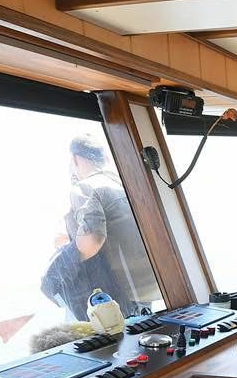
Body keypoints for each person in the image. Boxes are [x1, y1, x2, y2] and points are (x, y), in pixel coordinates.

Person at [42, 135, 160, 320]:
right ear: (105, 157)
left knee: (51, 282)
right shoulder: (125, 183)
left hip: (124, 295)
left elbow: (93, 240)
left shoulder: (85, 187)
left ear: (75, 159)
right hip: (154, 287)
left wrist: (67, 247)